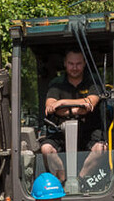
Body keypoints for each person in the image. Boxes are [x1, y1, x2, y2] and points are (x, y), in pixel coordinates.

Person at [40, 50, 108, 185]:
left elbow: (90, 104)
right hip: (61, 133)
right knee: (46, 149)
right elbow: (50, 106)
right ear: (65, 64)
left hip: (89, 133)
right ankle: (62, 181)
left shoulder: (94, 81)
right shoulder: (57, 83)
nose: (74, 67)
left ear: (84, 64)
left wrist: (62, 103)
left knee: (101, 149)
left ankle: (81, 182)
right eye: (71, 63)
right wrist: (78, 106)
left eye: (78, 64)